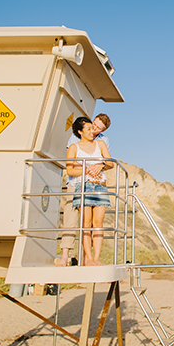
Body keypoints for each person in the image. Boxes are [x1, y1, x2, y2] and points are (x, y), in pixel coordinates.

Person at [57, 113, 112, 266]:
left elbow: (108, 162)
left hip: (96, 184)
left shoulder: (102, 141)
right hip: (75, 184)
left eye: (98, 129)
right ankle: (64, 256)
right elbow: (72, 165)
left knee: (95, 223)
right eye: (93, 125)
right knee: (73, 220)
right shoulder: (75, 139)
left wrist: (101, 165)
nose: (94, 130)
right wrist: (87, 168)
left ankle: (88, 259)